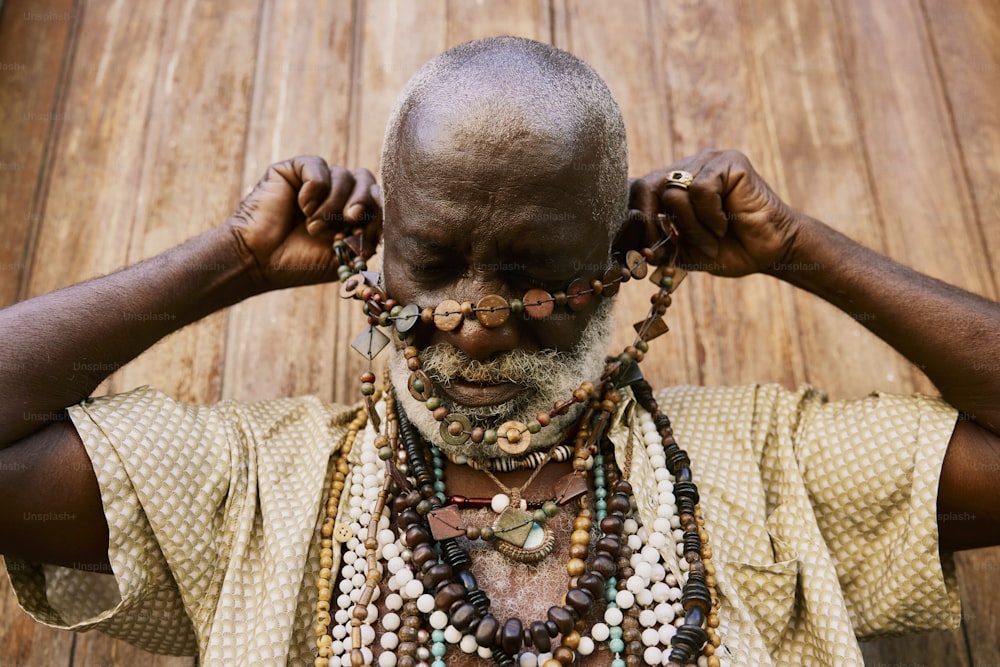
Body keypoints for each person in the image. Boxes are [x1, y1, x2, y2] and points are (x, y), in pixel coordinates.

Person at [0, 36, 997, 667]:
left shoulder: (765, 468)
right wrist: (236, 257)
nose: (475, 318)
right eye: (433, 262)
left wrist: (799, 250)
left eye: (530, 274)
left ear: (619, 261)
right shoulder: (256, 488)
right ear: (372, 257)